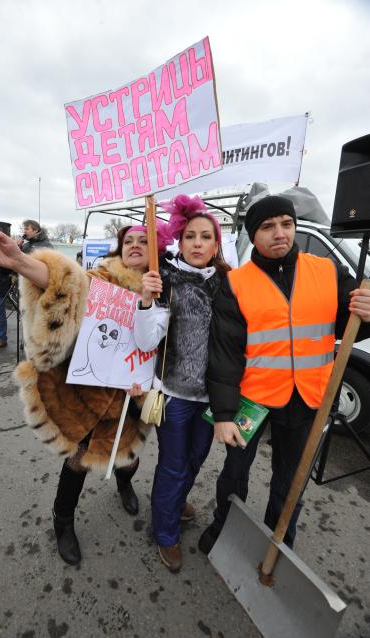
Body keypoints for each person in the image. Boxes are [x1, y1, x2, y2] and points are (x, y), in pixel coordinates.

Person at [0, 222, 153, 566]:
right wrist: (18, 262)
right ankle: (63, 520)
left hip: (134, 393)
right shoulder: (102, 278)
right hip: (91, 393)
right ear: (119, 247)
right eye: (128, 240)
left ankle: (124, 482)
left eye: (144, 241)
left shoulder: (164, 286)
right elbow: (66, 283)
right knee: (80, 458)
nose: (135, 245)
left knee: (129, 451)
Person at [199, 195, 370, 554]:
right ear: (253, 233)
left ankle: (279, 540)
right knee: (234, 474)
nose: (280, 233)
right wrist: (225, 415)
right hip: (253, 399)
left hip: (309, 396)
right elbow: (225, 356)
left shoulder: (326, 271)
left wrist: (367, 313)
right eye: (268, 226)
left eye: (287, 224)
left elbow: (349, 324)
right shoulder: (236, 284)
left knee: (291, 479)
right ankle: (225, 527)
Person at [133, 194, 231, 573]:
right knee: (174, 465)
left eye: (205, 237)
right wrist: (146, 300)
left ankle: (170, 502)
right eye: (190, 236)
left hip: (212, 399)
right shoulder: (166, 279)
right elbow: (145, 341)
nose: (197, 244)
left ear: (216, 243)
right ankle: (166, 532)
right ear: (179, 239)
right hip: (174, 395)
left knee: (195, 459)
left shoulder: (227, 284)